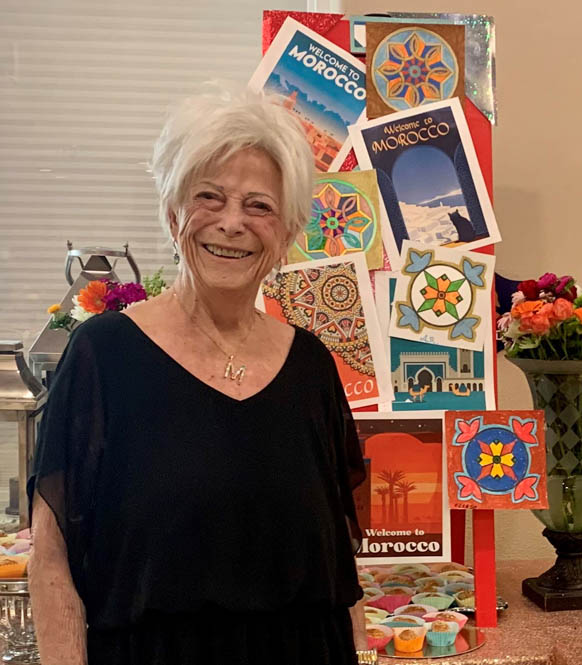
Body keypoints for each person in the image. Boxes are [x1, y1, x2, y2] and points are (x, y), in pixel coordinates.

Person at [28, 91, 368, 665]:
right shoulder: (103, 355)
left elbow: (337, 567)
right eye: (208, 197)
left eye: (258, 206)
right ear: (172, 211)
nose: (231, 223)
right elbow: (52, 555)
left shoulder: (310, 366)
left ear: (286, 232)